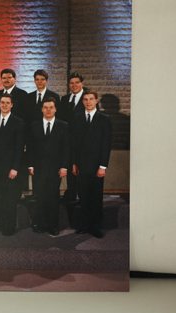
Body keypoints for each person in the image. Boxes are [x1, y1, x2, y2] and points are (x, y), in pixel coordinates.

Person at [27, 97, 69, 237]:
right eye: (45, 107)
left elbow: (66, 148)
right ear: (42, 109)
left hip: (55, 168)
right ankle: (39, 223)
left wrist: (64, 166)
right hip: (38, 168)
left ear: (55, 109)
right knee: (39, 196)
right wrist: (31, 164)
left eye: (51, 107)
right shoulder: (34, 125)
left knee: (53, 197)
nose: (48, 110)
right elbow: (30, 148)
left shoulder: (63, 125)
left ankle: (53, 225)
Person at [72, 91, 112, 238]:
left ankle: (95, 226)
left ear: (96, 101)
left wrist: (103, 166)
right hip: (81, 165)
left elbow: (106, 144)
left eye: (91, 99)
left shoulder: (104, 119)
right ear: (82, 102)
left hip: (97, 166)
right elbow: (74, 144)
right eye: (85, 99)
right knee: (83, 196)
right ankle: (84, 225)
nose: (88, 102)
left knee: (95, 197)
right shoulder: (77, 118)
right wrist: (74, 163)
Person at [0, 94, 24, 235]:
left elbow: (19, 148)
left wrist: (15, 168)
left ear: (12, 105)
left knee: (9, 199)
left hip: (10, 169)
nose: (5, 105)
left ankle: (9, 227)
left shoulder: (18, 122)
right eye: (2, 102)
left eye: (8, 103)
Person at [59, 72, 87, 204]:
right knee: (70, 168)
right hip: (68, 141)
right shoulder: (65, 99)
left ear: (82, 84)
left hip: (82, 142)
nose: (74, 85)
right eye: (71, 83)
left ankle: (82, 195)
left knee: (82, 169)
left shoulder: (88, 99)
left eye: (77, 82)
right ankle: (71, 193)